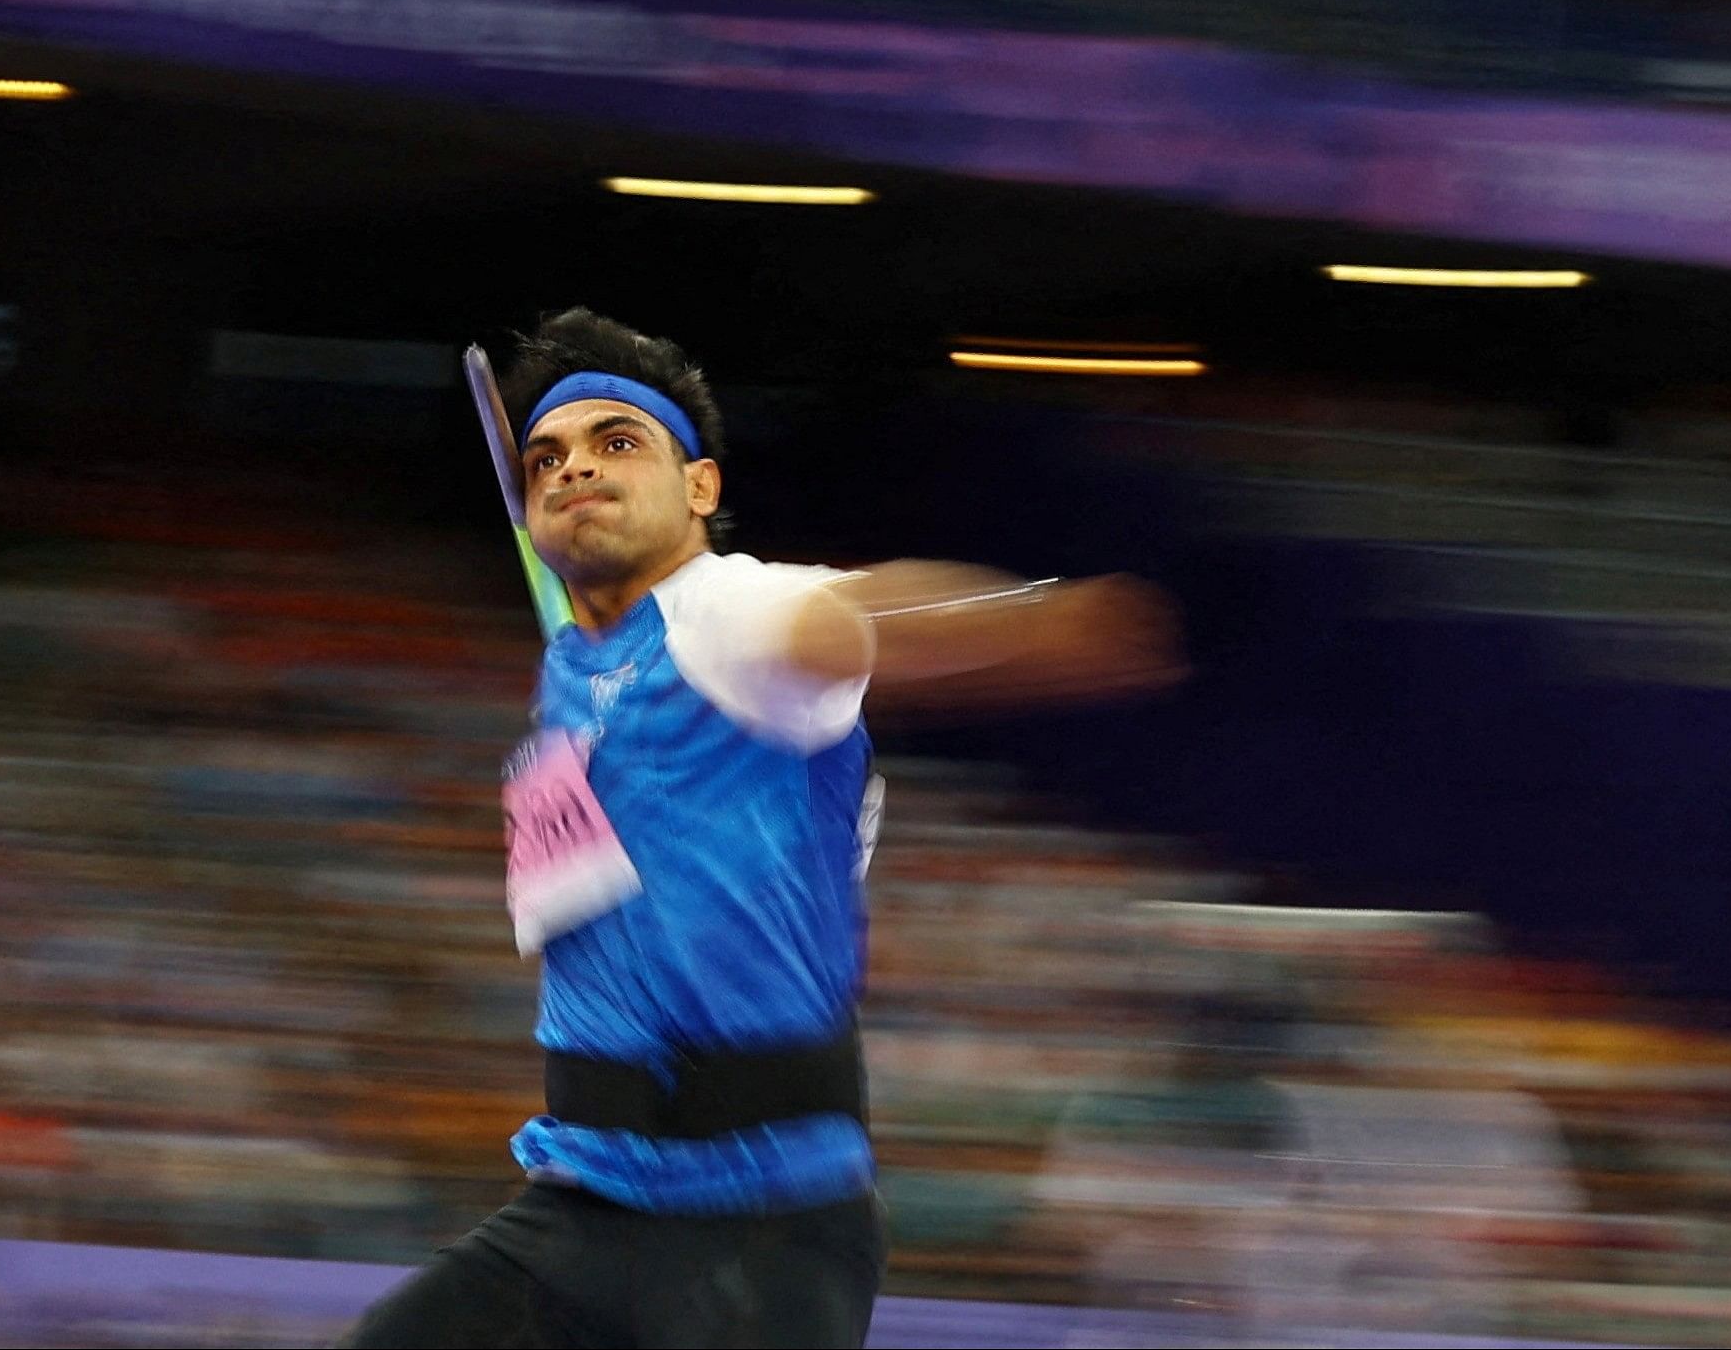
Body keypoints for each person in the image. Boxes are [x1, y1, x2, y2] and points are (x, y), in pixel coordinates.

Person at [341, 309, 1183, 1349]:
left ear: (699, 488)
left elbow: (847, 617)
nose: (573, 471)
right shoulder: (578, 669)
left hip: (753, 1235)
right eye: (546, 458)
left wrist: (1019, 622)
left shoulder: (725, 619)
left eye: (617, 444)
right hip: (585, 1207)